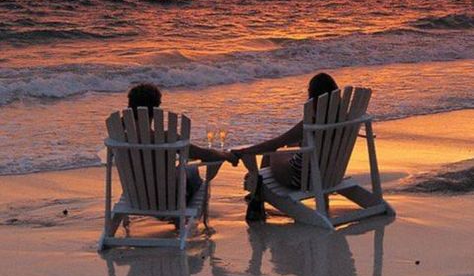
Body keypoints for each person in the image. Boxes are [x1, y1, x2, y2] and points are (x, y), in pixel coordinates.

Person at [232, 73, 338, 219]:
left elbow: (274, 143)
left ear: (312, 96)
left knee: (271, 152)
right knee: (291, 145)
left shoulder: (312, 122)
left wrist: (244, 151)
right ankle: (324, 202)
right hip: (329, 173)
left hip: (300, 177)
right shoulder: (344, 118)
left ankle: (258, 193)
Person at [127, 83, 238, 201]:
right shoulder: (168, 137)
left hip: (136, 197)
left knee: (185, 169)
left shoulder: (120, 138)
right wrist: (226, 155)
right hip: (169, 199)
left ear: (130, 107)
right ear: (156, 110)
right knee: (191, 169)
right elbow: (203, 154)